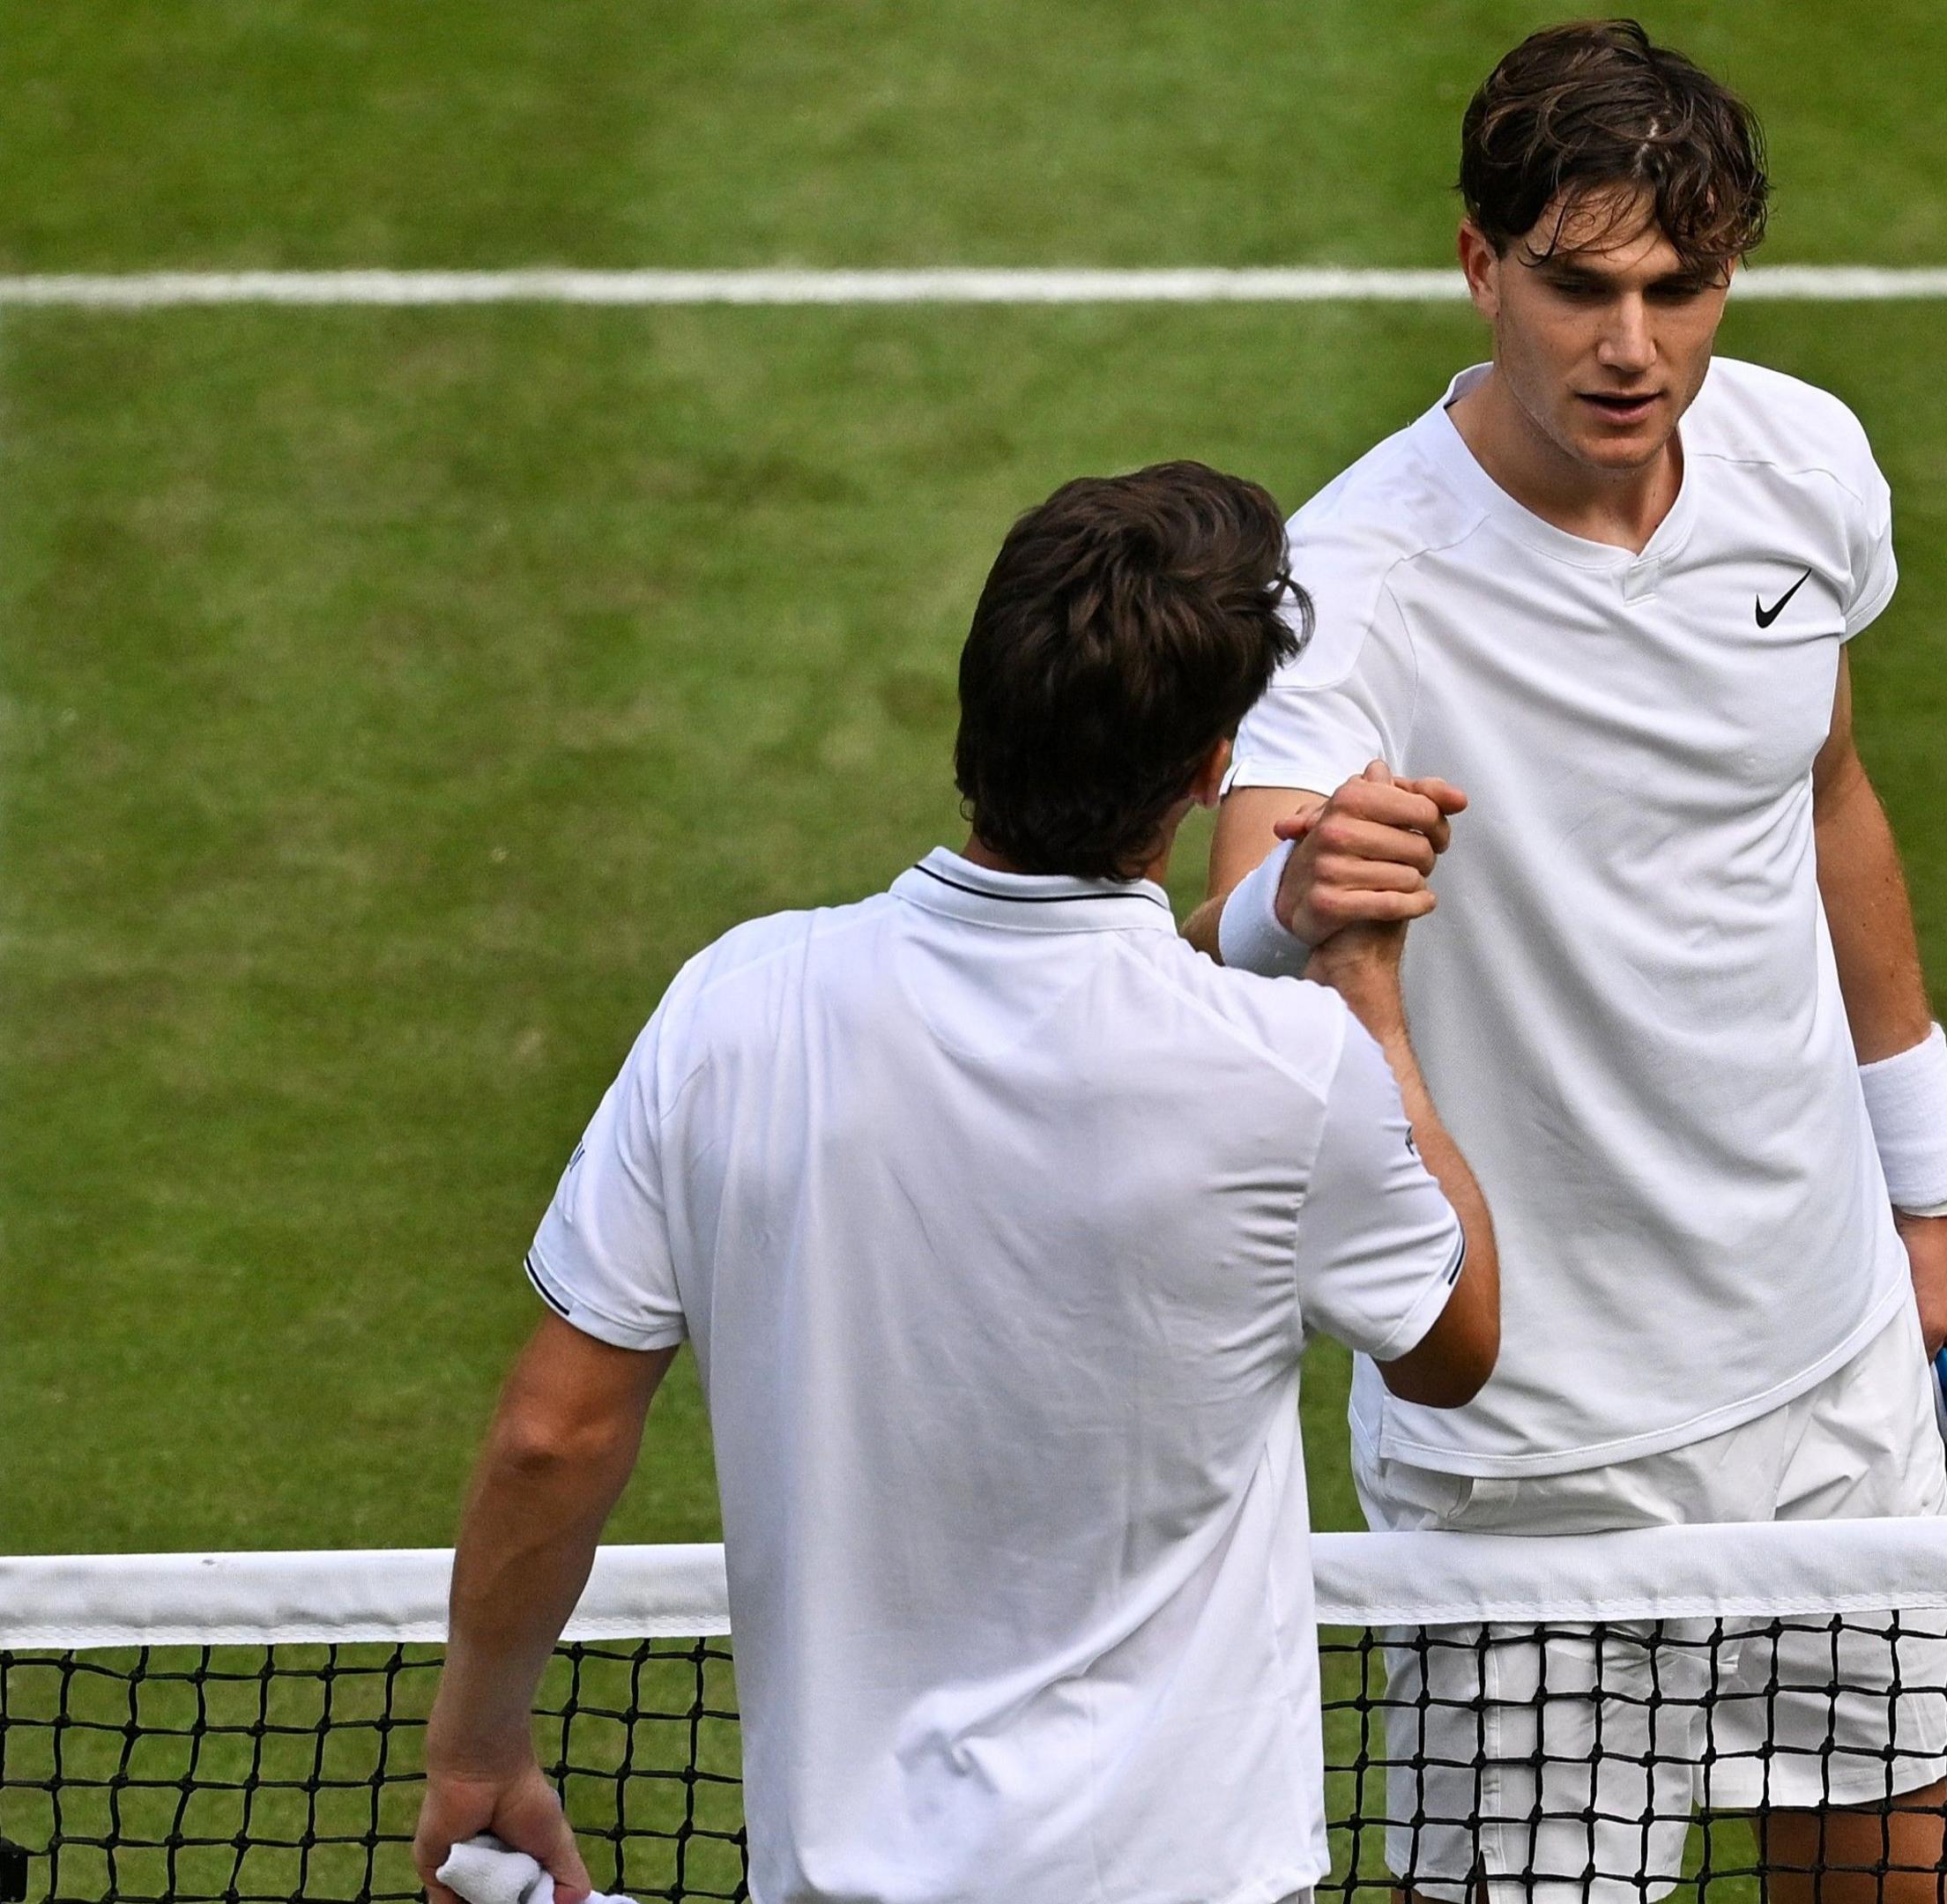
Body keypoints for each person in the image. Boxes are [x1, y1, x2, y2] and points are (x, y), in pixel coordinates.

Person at [415, 465, 1497, 1904]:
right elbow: (1455, 1344)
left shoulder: (732, 1010)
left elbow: (553, 1438)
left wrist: (477, 1748)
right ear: (1208, 770)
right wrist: (1360, 981)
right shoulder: (1292, 1071)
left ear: (976, 713)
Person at [1186, 22, 1947, 1899]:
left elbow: (1830, 802)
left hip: (1831, 1371)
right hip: (1531, 1452)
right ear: (1480, 267)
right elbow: (1226, 920)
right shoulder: (1360, 574)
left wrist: (1933, 1198)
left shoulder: (1808, 467)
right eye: (1577, 288)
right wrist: (1297, 906)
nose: (1632, 347)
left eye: (1678, 287)